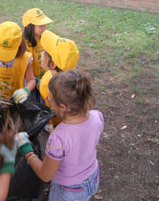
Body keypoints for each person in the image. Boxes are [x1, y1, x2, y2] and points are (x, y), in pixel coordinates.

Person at [15, 70, 104, 201]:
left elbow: (45, 175)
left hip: (68, 190)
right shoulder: (97, 116)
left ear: (62, 106)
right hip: (92, 178)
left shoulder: (58, 137)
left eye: (50, 98)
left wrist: (27, 150)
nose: (47, 99)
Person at [39, 30, 79, 133]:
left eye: (45, 52)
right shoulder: (56, 74)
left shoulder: (58, 92)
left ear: (53, 65)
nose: (41, 53)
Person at [22, 8, 53, 79]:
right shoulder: (23, 44)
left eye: (45, 24)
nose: (44, 27)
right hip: (29, 81)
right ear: (28, 26)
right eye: (40, 25)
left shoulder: (47, 40)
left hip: (44, 79)